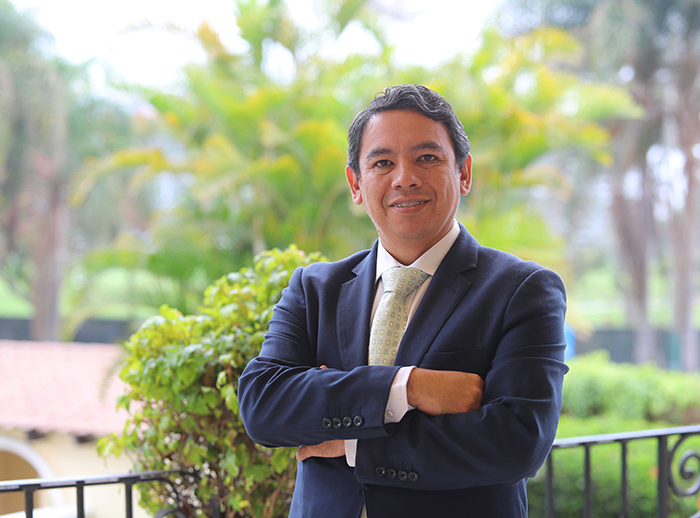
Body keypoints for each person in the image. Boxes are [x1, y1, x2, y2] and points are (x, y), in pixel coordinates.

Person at [238, 84, 568, 518]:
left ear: (464, 173)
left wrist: (353, 443)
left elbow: (516, 442)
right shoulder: (314, 289)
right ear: (356, 184)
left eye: (427, 158)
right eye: (382, 162)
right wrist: (409, 386)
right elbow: (263, 404)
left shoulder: (522, 290)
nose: (405, 178)